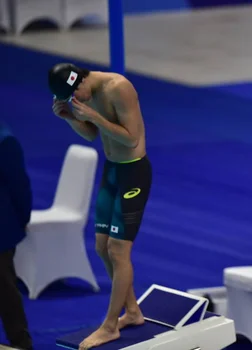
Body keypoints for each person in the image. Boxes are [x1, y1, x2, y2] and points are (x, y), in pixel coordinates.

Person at [48, 63, 152, 350]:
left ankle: (109, 326)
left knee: (119, 251)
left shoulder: (118, 88)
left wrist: (92, 115)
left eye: (76, 94)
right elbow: (93, 135)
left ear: (81, 79)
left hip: (133, 173)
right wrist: (71, 118)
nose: (77, 99)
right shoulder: (80, 91)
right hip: (112, 172)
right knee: (101, 247)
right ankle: (132, 312)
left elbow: (131, 139)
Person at [0, 122, 34, 350]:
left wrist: (22, 219)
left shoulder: (5, 141)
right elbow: (20, 185)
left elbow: (18, 185)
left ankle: (21, 344)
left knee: (5, 289)